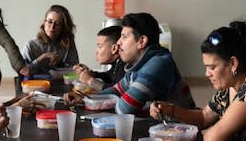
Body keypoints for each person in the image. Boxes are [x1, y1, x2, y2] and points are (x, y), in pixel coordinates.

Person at [150, 20, 246, 141]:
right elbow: (204, 116)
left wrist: (209, 131)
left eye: (212, 67)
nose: (207, 74)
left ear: (233, 63)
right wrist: (170, 110)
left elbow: (213, 140)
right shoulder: (228, 89)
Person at [66, 12, 195, 115]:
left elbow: (124, 109)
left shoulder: (158, 63)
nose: (118, 43)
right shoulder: (140, 64)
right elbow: (116, 90)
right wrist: (84, 99)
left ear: (142, 41)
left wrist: (112, 100)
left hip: (179, 134)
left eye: (124, 37)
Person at [21, 4, 79, 75]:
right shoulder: (30, 46)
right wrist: (41, 59)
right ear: (44, 22)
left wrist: (60, 63)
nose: (52, 27)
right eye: (49, 21)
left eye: (57, 24)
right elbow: (22, 72)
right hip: (34, 85)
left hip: (61, 84)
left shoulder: (68, 44)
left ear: (63, 27)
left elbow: (74, 72)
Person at [73, 25, 125, 92]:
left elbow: (116, 91)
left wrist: (90, 80)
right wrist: (91, 74)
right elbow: (109, 76)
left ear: (114, 48)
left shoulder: (125, 66)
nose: (96, 51)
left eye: (99, 46)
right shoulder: (117, 63)